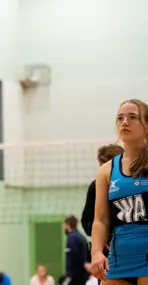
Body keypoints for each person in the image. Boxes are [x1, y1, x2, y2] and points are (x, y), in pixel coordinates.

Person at [90, 99, 148, 285]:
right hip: (119, 259)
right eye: (120, 118)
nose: (124, 122)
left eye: (133, 117)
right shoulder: (107, 170)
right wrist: (97, 252)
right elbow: (100, 220)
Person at [82, 144, 124, 237]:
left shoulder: (134, 183)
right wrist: (102, 236)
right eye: (101, 166)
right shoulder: (95, 186)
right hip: (106, 243)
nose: (103, 170)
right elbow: (86, 221)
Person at [64, 215, 90, 285]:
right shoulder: (81, 237)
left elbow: (73, 256)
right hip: (82, 275)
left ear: (68, 225)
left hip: (74, 276)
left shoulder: (72, 237)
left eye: (64, 225)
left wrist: (70, 274)